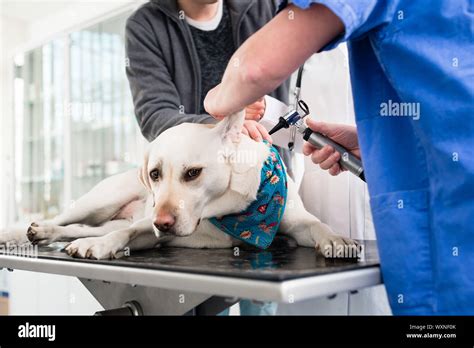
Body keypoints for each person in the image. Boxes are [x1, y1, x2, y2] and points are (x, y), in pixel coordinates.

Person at [204, 0, 474, 315]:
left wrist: (216, 100)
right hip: (378, 197)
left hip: (430, 227)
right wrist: (368, 143)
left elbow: (254, 69)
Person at [125, 0, 290, 315]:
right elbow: (155, 114)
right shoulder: (146, 25)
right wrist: (226, 125)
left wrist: (265, 113)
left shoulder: (265, 6)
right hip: (199, 209)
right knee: (206, 305)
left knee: (262, 305)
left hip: (262, 196)